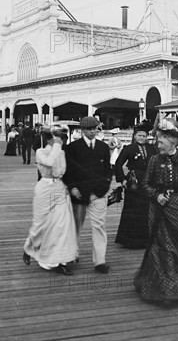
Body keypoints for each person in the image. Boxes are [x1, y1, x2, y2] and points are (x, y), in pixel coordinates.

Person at [134, 118, 178, 302]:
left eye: (161, 142)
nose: (158, 145)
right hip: (158, 211)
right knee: (161, 247)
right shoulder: (155, 160)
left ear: (173, 142)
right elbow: (145, 184)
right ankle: (165, 288)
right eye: (157, 141)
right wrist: (156, 196)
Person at [23, 125, 77, 275]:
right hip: (44, 189)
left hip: (59, 188)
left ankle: (61, 261)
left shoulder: (61, 152)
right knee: (39, 224)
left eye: (62, 139)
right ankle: (29, 248)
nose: (61, 141)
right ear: (49, 139)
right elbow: (49, 162)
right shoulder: (41, 152)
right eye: (58, 138)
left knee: (62, 225)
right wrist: (57, 146)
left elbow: (65, 171)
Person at [63, 116, 112, 274]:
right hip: (79, 194)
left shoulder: (103, 147)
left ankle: (100, 261)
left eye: (94, 128)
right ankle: (72, 254)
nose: (92, 131)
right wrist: (72, 187)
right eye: (88, 129)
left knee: (99, 226)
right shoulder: (72, 147)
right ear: (82, 130)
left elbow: (107, 170)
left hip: (98, 193)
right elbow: (67, 171)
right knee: (76, 226)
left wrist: (105, 187)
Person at [114, 122, 157, 249]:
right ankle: (129, 240)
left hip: (147, 182)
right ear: (135, 136)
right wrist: (122, 180)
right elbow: (118, 164)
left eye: (144, 136)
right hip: (133, 182)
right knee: (132, 210)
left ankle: (145, 239)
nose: (142, 138)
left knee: (146, 210)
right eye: (139, 135)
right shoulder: (129, 148)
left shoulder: (151, 148)